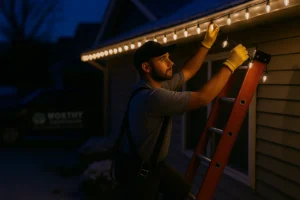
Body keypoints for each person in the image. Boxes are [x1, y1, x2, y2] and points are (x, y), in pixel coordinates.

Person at [113, 22, 249, 200]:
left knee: (182, 191)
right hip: (139, 174)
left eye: (168, 57)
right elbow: (203, 98)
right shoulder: (152, 97)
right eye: (163, 59)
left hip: (152, 165)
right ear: (146, 68)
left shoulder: (151, 87)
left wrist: (206, 43)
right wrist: (230, 64)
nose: (171, 63)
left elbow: (187, 71)